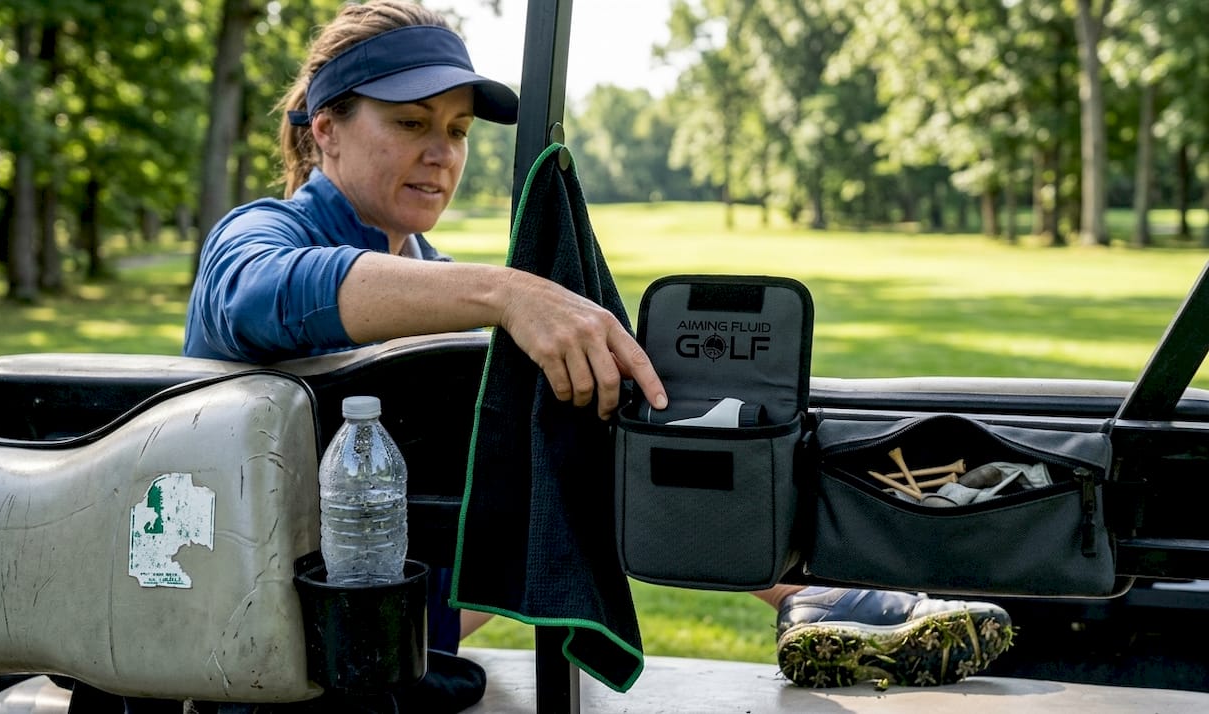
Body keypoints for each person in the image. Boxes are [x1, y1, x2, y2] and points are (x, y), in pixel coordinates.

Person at [183, 0, 1013, 692]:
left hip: (403, 603)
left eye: (460, 129)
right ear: (325, 130)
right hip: (279, 620)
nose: (443, 153)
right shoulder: (260, 233)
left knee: (586, 405)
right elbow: (259, 292)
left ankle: (809, 587)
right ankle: (814, 594)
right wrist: (509, 291)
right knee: (571, 411)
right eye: (410, 123)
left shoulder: (419, 268)